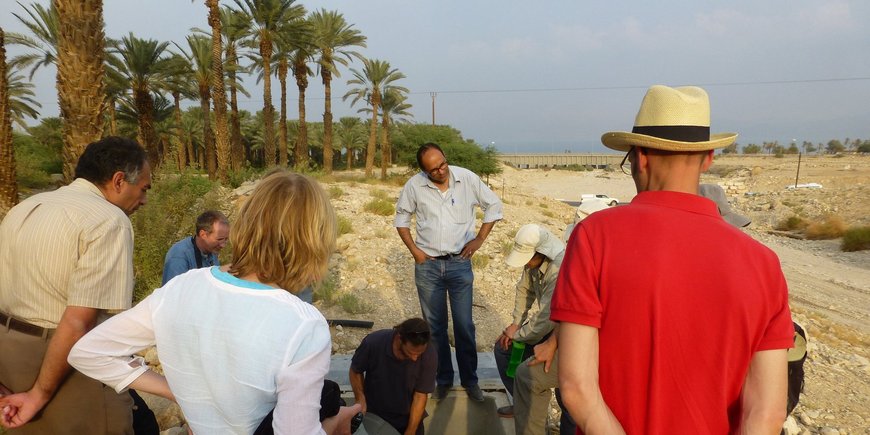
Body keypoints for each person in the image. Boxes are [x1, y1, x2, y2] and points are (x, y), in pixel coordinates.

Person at [551, 85, 794, 434]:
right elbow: (766, 415)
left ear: (640, 156)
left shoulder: (594, 235)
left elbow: (577, 388)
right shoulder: (764, 263)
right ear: (708, 159)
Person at [67, 171, 360, 434]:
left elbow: (89, 352)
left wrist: (179, 392)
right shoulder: (304, 324)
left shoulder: (182, 286)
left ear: (245, 225)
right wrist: (333, 424)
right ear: (315, 241)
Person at [0, 137, 151, 434]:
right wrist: (38, 395)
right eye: (144, 188)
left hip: (9, 353)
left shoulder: (25, 207)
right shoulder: (109, 220)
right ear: (119, 180)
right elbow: (79, 321)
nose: (144, 200)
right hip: (64, 361)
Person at [394, 143, 503, 402]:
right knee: (435, 329)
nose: (441, 171)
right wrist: (415, 252)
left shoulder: (466, 178)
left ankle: (470, 380)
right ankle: (442, 379)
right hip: (428, 266)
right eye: (433, 169)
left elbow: (494, 206)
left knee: (465, 326)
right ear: (424, 171)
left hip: (459, 264)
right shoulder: (414, 186)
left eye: (442, 164)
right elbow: (401, 220)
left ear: (446, 158)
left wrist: (479, 239)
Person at [493, 224, 563, 419]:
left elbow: (546, 318)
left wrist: (519, 335)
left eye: (528, 259)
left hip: (561, 330)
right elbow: (525, 289)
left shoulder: (558, 268)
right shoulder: (533, 263)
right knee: (503, 349)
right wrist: (516, 323)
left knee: (564, 393)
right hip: (546, 326)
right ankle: (521, 403)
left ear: (541, 252)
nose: (526, 264)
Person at [349, 318, 437, 435]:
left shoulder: (429, 354)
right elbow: (355, 370)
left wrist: (410, 431)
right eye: (411, 353)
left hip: (408, 420)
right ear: (399, 338)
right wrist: (360, 398)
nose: (415, 358)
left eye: (419, 354)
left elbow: (420, 396)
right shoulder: (373, 343)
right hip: (375, 417)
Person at [161, 210, 230, 285]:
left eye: (226, 239)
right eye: (219, 239)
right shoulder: (179, 256)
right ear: (203, 234)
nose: (223, 245)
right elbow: (174, 292)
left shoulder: (211, 250)